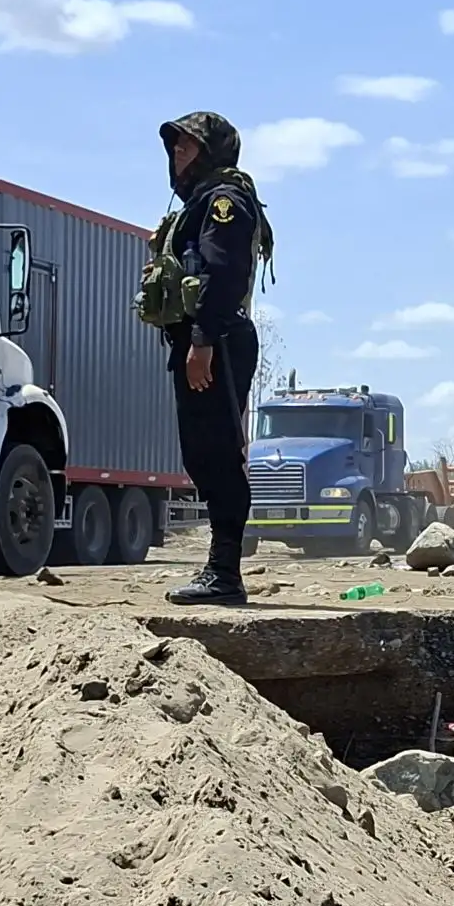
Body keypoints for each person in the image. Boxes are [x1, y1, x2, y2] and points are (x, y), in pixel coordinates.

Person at [145, 111, 273, 605]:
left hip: (216, 341)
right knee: (202, 454)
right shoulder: (199, 204)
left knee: (218, 455)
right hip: (204, 340)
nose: (177, 155)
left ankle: (224, 574)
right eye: (174, 147)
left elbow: (224, 275)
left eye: (187, 147)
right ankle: (220, 570)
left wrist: (201, 343)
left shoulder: (224, 200)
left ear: (211, 151)